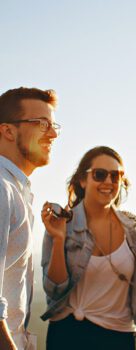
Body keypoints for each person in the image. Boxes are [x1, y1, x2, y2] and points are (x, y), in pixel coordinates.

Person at [40, 146, 136, 350]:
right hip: (67, 336)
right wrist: (58, 239)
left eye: (116, 176)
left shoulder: (133, 228)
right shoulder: (61, 223)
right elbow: (54, 289)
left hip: (118, 339)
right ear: (82, 180)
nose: (108, 182)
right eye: (100, 174)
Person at [0, 87, 59, 350]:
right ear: (8, 130)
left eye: (53, 124)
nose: (54, 134)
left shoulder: (17, 191)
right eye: (41, 124)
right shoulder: (2, 190)